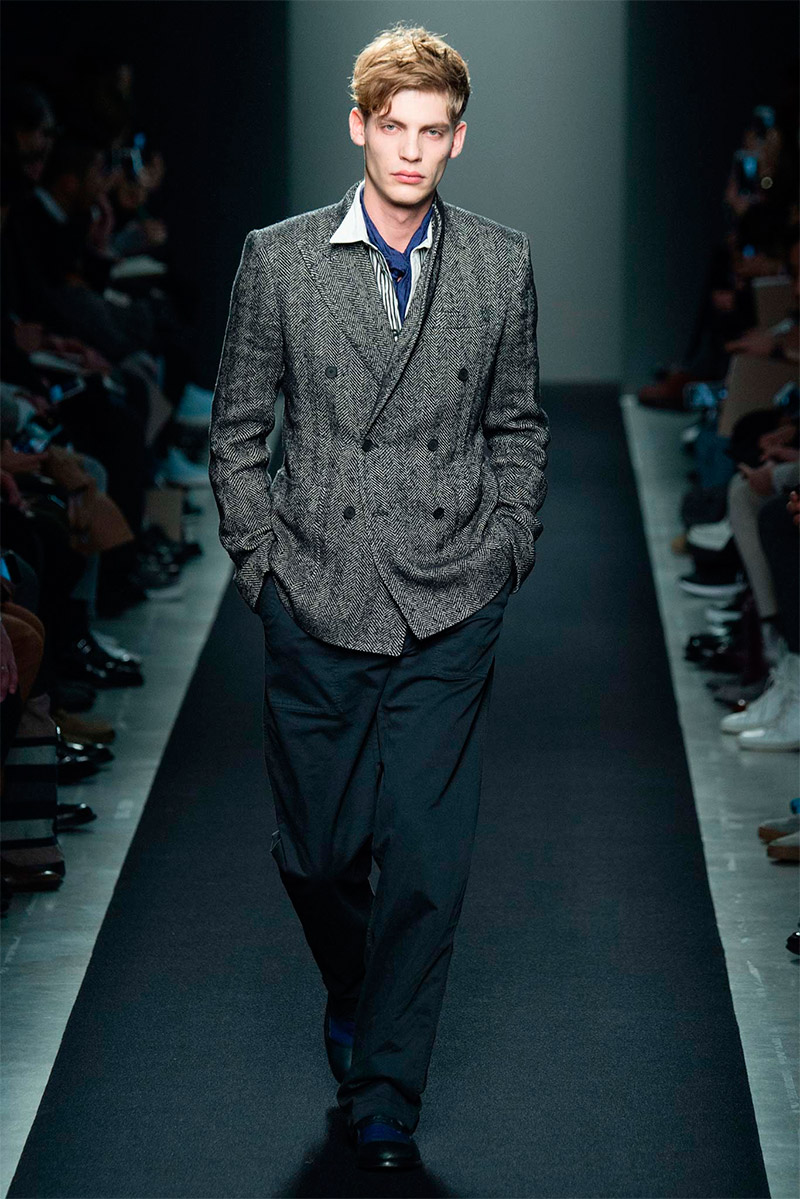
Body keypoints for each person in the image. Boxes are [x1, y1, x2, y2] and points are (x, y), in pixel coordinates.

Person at [209, 23, 549, 1171]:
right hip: (314, 584)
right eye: (392, 126)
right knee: (317, 853)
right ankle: (360, 991)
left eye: (431, 130)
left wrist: (508, 545)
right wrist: (258, 563)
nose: (410, 150)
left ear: (458, 138)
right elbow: (236, 426)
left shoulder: (498, 262)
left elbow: (516, 423)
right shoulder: (279, 259)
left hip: (452, 589)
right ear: (358, 125)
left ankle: (386, 1085)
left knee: (424, 853)